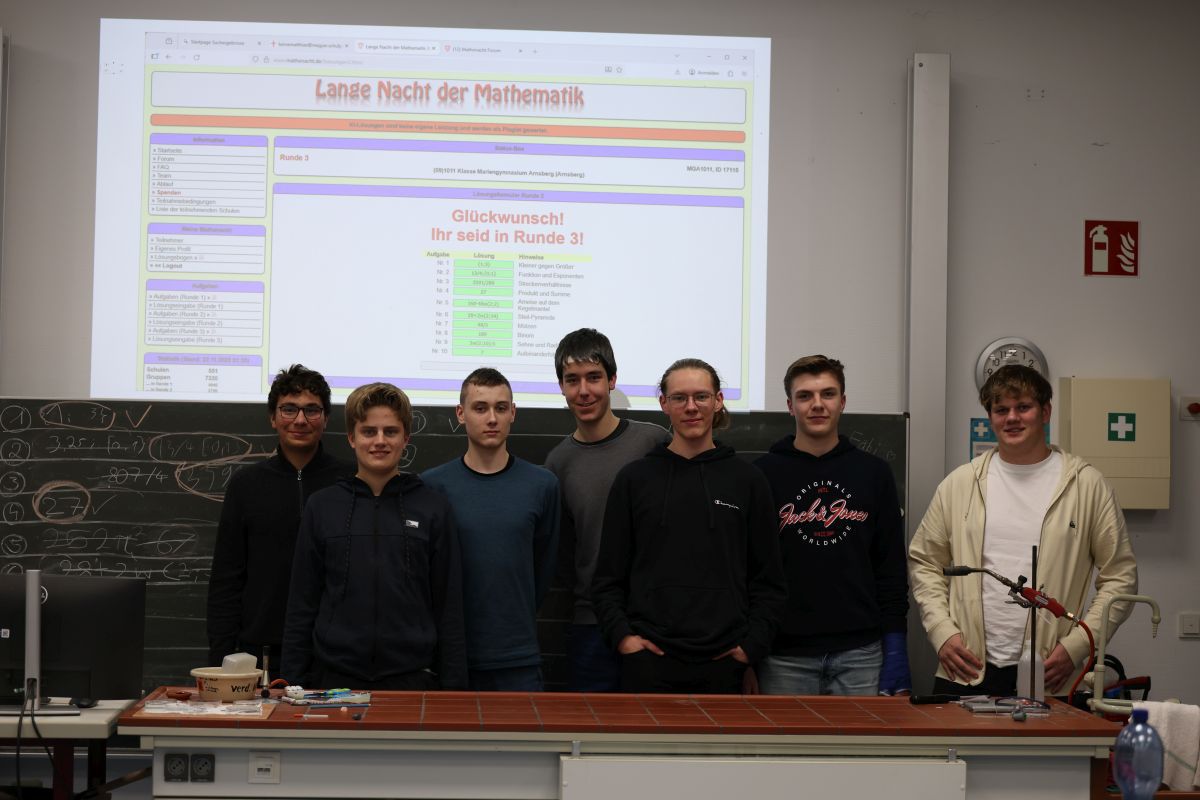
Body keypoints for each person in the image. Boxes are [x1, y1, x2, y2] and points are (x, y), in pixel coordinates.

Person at [909, 365, 1138, 697]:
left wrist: (1077, 646)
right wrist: (942, 632)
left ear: (1045, 412)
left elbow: (1121, 577)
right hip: (966, 671)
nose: (1012, 418)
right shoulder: (960, 484)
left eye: (1023, 407)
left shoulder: (1087, 486)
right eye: (1001, 409)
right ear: (991, 417)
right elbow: (925, 563)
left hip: (1052, 676)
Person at [591, 358, 787, 694]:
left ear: (718, 400)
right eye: (679, 398)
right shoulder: (634, 480)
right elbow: (608, 579)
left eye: (701, 396)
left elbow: (768, 581)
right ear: (664, 403)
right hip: (647, 662)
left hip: (725, 664)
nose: (691, 407)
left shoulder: (748, 481)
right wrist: (624, 639)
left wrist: (749, 649)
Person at [280, 382, 466, 690]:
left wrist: (454, 691)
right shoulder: (322, 507)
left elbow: (449, 608)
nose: (380, 441)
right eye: (369, 431)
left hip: (413, 679)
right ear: (352, 438)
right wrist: (292, 685)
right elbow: (302, 603)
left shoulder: (433, 508)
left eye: (390, 431)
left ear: (406, 438)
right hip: (334, 681)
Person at [754, 355, 910, 696]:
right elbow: (750, 570)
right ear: (790, 406)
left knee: (862, 736)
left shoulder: (874, 474)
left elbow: (890, 568)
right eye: (805, 396)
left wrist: (896, 644)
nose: (817, 404)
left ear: (842, 401)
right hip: (782, 655)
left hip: (861, 653)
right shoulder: (762, 475)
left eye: (827, 394)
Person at [544, 328, 669, 691]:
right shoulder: (557, 463)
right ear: (562, 387)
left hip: (657, 621)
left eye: (594, 377)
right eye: (572, 380)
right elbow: (565, 554)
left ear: (612, 380)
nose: (584, 390)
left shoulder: (654, 442)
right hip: (591, 626)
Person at [421, 368, 560, 691]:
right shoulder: (432, 486)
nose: (492, 418)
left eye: (501, 407)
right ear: (461, 414)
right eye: (480, 408)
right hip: (453, 657)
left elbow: (543, 568)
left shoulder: (542, 485)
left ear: (513, 413)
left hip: (518, 658)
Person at [205, 364, 351, 670]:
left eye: (312, 410)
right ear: (273, 417)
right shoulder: (246, 485)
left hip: (336, 652)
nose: (300, 420)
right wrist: (221, 660)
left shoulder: (349, 482)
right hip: (261, 653)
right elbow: (226, 579)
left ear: (326, 418)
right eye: (289, 409)